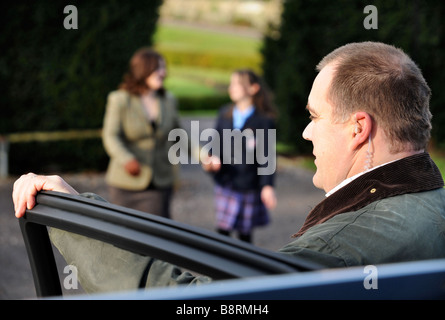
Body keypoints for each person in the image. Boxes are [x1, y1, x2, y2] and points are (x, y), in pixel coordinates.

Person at [13, 42, 445, 293]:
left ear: (358, 129)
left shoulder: (340, 251)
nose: (306, 133)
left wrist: (73, 215)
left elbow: (196, 300)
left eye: (314, 116)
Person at [102, 48, 180, 218]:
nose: (164, 73)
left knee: (157, 236)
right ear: (143, 70)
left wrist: (204, 156)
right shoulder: (120, 99)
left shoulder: (169, 100)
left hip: (159, 183)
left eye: (164, 68)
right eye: (159, 68)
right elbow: (110, 136)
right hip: (124, 185)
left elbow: (180, 135)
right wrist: (126, 159)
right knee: (123, 236)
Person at [202, 69, 277, 243]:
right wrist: (211, 159)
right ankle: (220, 266)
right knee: (223, 230)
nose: (232, 88)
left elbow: (267, 156)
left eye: (237, 84)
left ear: (253, 88)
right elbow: (215, 143)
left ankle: (243, 268)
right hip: (225, 181)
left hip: (248, 184)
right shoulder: (225, 113)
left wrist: (267, 186)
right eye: (231, 84)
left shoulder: (264, 120)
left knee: (244, 233)